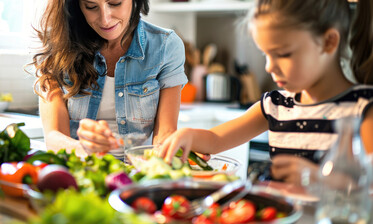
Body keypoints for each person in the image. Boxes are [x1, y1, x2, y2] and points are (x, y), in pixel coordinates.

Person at [159, 0, 373, 185]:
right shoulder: (276, 106)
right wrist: (187, 135)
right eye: (266, 55)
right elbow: (216, 139)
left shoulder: (363, 108)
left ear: (329, 42)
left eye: (283, 54)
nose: (269, 67)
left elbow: (367, 184)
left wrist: (317, 178)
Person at [30, 0, 188, 159]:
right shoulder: (58, 47)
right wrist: (86, 149)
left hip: (138, 172)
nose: (105, 19)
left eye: (115, 3)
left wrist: (166, 155)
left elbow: (165, 135)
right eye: (91, 7)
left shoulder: (165, 46)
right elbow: (53, 137)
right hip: (80, 171)